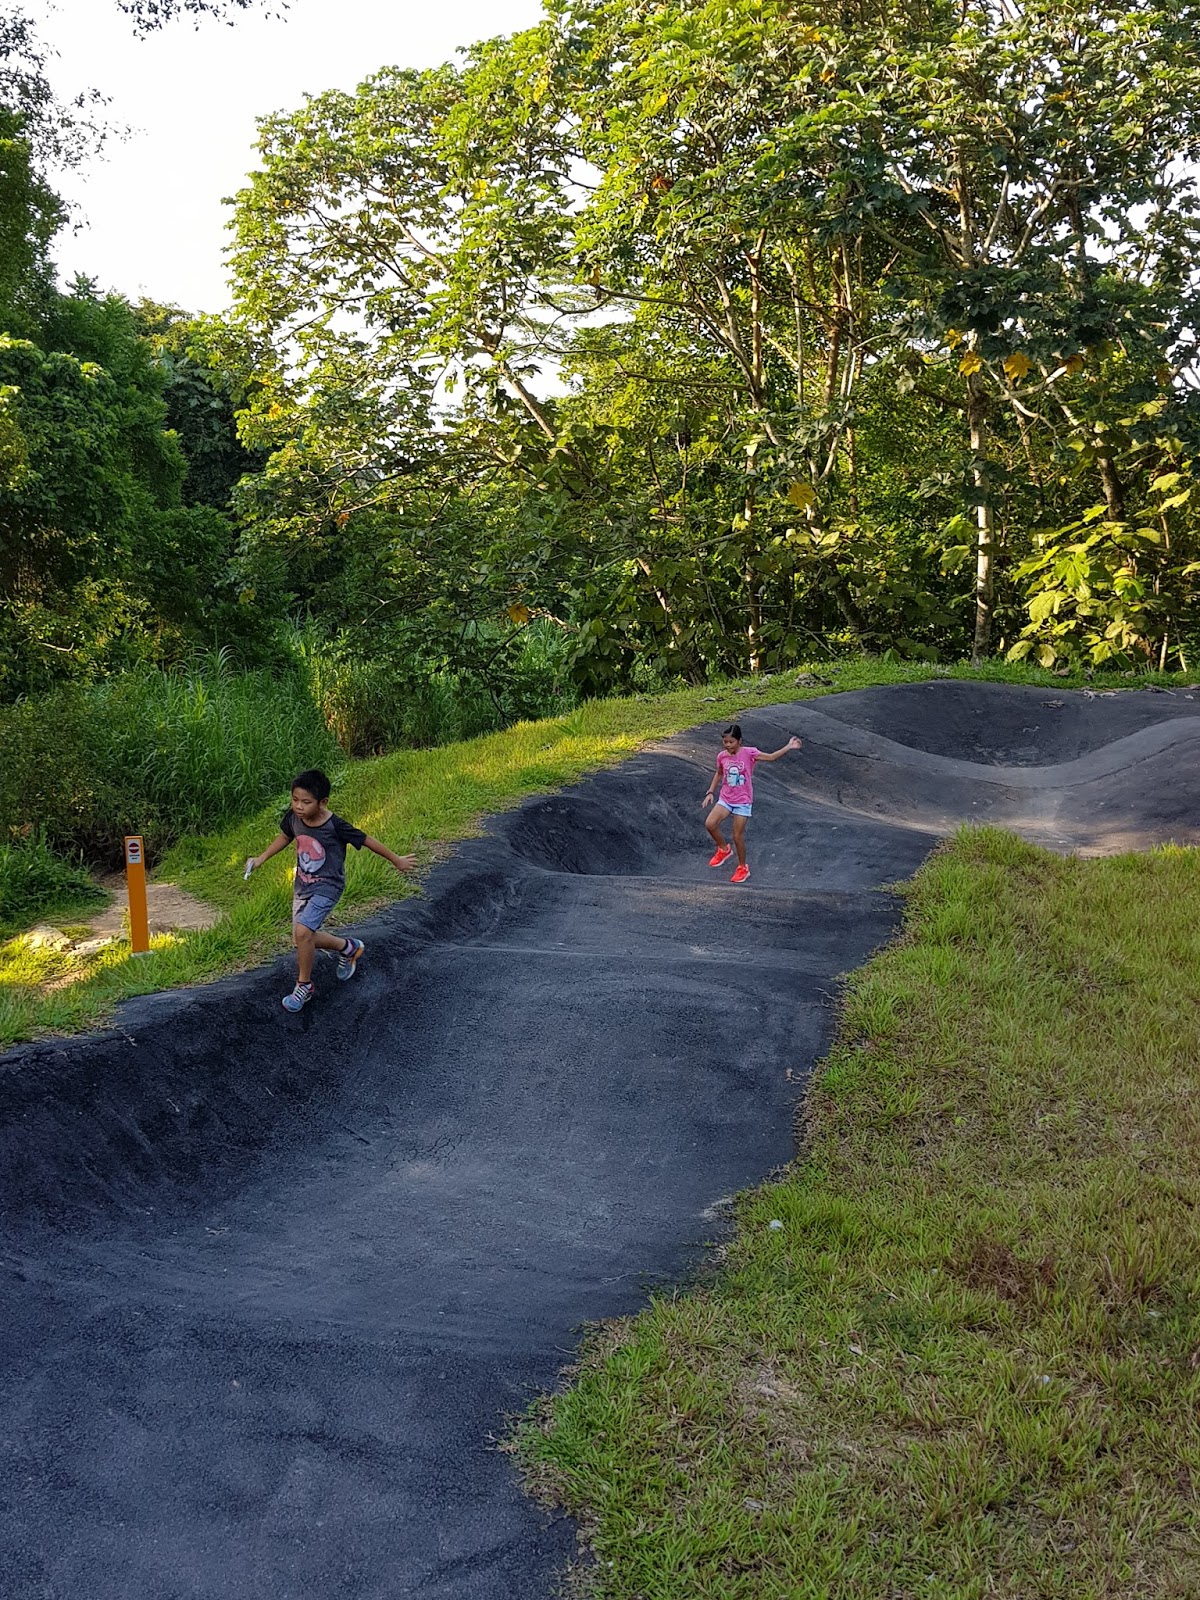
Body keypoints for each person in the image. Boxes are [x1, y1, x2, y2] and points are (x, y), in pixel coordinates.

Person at [244, 768, 417, 1013]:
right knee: (301, 938)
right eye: (295, 800)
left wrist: (396, 859)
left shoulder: (335, 825)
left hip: (328, 886)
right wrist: (260, 859)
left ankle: (304, 985)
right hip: (303, 886)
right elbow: (285, 837)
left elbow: (366, 840)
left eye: (306, 802)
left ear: (322, 802)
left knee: (303, 932)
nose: (299, 807)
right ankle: (349, 948)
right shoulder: (294, 818)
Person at [702, 725, 802, 884]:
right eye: (725, 742)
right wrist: (710, 792)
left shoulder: (749, 753)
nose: (727, 745)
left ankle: (742, 868)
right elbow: (720, 773)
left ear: (739, 741)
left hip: (742, 801)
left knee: (737, 836)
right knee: (710, 823)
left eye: (731, 742)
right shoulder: (722, 756)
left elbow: (771, 757)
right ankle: (723, 849)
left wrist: (788, 746)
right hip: (726, 798)